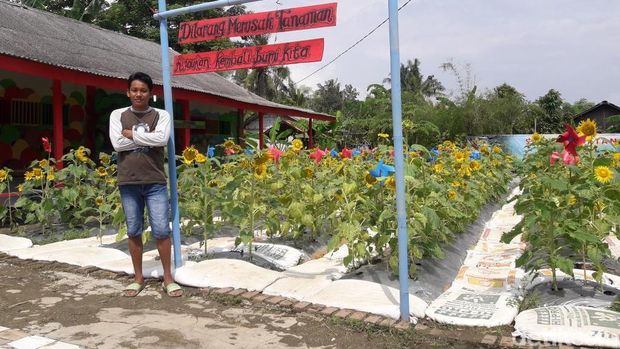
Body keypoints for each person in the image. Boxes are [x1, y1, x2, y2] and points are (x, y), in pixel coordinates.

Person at [109, 72, 183, 297]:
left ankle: (168, 278)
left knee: (161, 230)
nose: (138, 94)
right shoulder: (117, 114)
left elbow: (162, 139)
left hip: (155, 181)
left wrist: (131, 134)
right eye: (134, 90)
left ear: (151, 93)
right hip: (128, 181)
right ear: (128, 92)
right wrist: (145, 139)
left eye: (143, 90)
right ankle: (138, 278)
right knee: (133, 230)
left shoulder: (161, 115)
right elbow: (117, 144)